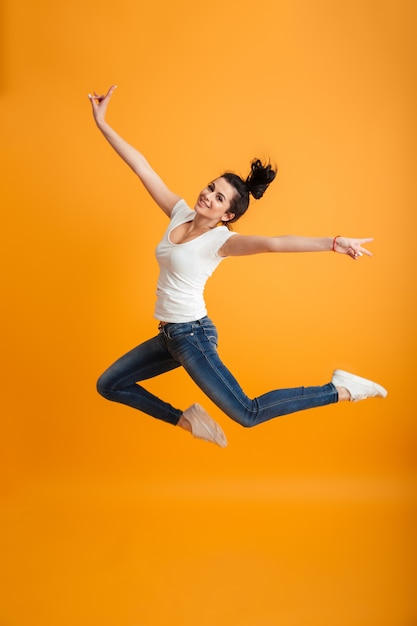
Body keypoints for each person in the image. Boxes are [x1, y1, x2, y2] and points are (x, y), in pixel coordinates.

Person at [88, 85, 387, 448]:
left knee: (247, 413)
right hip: (169, 335)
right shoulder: (179, 213)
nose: (207, 195)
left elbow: (275, 244)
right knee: (110, 384)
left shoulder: (220, 242)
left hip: (192, 336)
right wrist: (103, 123)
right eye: (210, 187)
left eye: (218, 198)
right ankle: (186, 418)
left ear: (226, 215)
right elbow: (141, 166)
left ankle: (341, 389)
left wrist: (335, 243)